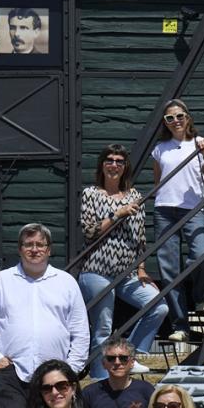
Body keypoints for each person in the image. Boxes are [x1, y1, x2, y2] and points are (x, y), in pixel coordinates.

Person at [0, 223, 91, 408]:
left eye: (39, 244)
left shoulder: (66, 283)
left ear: (49, 249)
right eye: (28, 244)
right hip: (11, 372)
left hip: (55, 375)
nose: (34, 249)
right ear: (20, 249)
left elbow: (80, 330)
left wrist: (71, 368)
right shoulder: (1, 281)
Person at [78, 145, 167, 372]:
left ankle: (130, 358)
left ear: (125, 166)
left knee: (158, 307)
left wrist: (142, 269)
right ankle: (99, 378)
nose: (114, 165)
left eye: (119, 161)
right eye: (109, 160)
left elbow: (140, 237)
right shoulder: (91, 194)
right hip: (97, 270)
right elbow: (89, 233)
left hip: (127, 273)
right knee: (103, 328)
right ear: (102, 164)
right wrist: (116, 214)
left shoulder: (135, 196)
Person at [151, 99, 204, 334]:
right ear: (165, 123)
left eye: (179, 116)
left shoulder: (199, 145)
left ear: (188, 118)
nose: (175, 121)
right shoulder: (160, 148)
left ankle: (198, 295)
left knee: (203, 255)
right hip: (164, 210)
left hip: (193, 208)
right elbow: (158, 182)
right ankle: (180, 325)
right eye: (170, 118)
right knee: (169, 269)